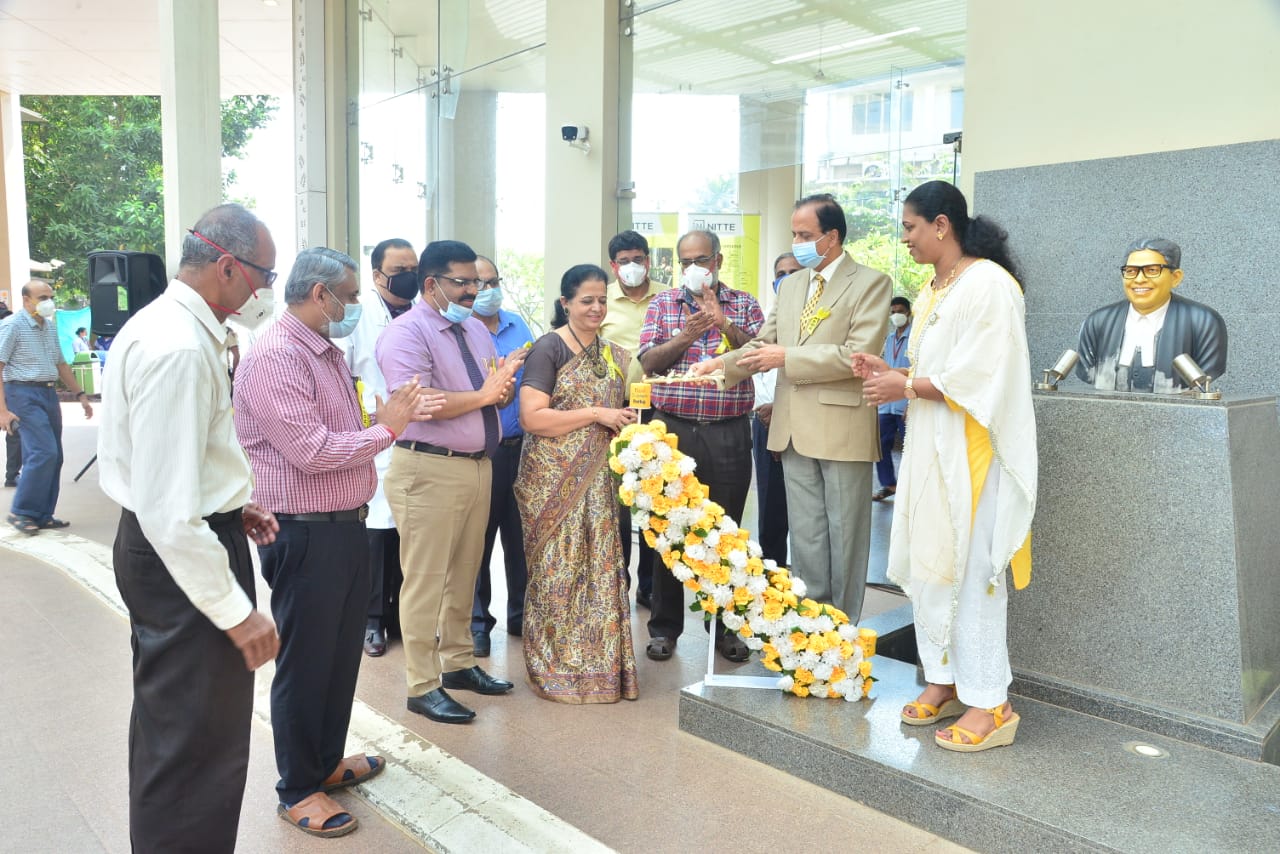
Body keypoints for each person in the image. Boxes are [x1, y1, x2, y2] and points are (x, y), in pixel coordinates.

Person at [234, 247, 440, 837]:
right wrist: (388, 430)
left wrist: (376, 422)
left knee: (338, 655)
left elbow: (340, 431)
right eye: (350, 296)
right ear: (320, 295)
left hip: (343, 523)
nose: (355, 307)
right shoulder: (276, 357)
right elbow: (313, 452)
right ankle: (297, 786)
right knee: (306, 660)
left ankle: (324, 762)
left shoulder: (322, 351)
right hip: (303, 530)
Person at [97, 203, 282, 851]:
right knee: (194, 747)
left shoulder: (177, 328)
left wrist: (234, 504)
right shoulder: (177, 348)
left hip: (188, 537)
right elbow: (169, 510)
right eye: (263, 274)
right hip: (180, 554)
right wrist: (235, 611)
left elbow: (178, 465)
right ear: (227, 266)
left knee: (186, 735)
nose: (265, 291)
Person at [855, 180, 1036, 753]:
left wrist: (902, 383)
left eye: (909, 227)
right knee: (933, 566)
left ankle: (993, 703)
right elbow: (927, 367)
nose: (904, 239)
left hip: (973, 452)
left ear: (941, 225)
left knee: (974, 571)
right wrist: (887, 371)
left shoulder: (990, 284)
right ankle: (947, 679)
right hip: (931, 445)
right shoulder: (933, 288)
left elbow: (986, 373)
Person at [697, 193, 892, 623]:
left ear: (832, 237)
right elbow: (764, 343)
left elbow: (858, 354)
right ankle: (811, 632)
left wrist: (787, 358)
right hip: (792, 428)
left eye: (805, 235)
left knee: (846, 538)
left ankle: (843, 633)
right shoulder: (792, 285)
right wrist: (723, 364)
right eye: (794, 234)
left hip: (841, 427)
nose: (798, 242)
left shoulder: (871, 283)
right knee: (805, 538)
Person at [376, 239, 523, 724]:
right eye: (462, 282)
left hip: (478, 466)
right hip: (428, 468)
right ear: (432, 284)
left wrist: (500, 392)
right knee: (425, 580)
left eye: (477, 283)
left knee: (466, 573)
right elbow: (420, 403)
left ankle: (458, 664)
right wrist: (486, 394)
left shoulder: (477, 332)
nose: (472, 292)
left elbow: (489, 396)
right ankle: (422, 683)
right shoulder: (405, 333)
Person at [638, 229, 764, 663]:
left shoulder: (744, 304)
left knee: (726, 534)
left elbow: (757, 359)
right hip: (673, 428)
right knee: (668, 529)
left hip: (729, 430)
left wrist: (723, 323)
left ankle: (725, 629)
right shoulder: (663, 305)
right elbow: (648, 363)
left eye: (702, 259)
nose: (695, 268)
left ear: (718, 261)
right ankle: (664, 628)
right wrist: (689, 334)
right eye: (686, 260)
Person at [515, 263, 639, 702]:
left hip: (599, 482)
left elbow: (624, 406)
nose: (597, 308)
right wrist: (596, 414)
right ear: (565, 302)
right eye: (587, 300)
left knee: (600, 573)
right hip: (551, 483)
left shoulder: (612, 354)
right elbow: (532, 417)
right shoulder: (549, 349)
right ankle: (555, 668)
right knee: (559, 574)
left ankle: (602, 671)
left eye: (603, 300)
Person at [339, 237, 420, 658]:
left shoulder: (424, 313)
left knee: (410, 533)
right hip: (375, 434)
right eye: (399, 269)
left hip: (420, 435)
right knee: (377, 532)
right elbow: (344, 370)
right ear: (377, 275)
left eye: (414, 268)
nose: (409, 276)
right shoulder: (359, 316)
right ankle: (372, 621)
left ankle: (401, 618)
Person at [470, 254, 535, 657]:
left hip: (522, 448)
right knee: (477, 541)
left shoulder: (518, 326)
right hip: (481, 453)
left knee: (521, 537)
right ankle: (477, 624)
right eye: (477, 284)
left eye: (492, 282)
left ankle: (521, 617)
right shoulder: (461, 330)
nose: (486, 291)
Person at [0, 279, 93, 534]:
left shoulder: (50, 327)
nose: (48, 302)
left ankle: (43, 514)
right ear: (26, 300)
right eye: (42, 298)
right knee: (43, 452)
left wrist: (80, 394)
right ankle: (22, 512)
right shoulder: (12, 326)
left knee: (55, 456)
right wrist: (3, 411)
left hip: (48, 393)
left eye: (50, 296)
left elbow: (61, 363)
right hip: (22, 393)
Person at [1075, 237, 1227, 393]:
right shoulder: (1099, 321)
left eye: (1152, 270)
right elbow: (1087, 369)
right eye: (1131, 271)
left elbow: (1207, 370)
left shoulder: (1204, 321)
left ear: (1175, 278)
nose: (1139, 279)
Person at [599, 229, 659, 608]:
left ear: (648, 260)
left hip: (661, 411)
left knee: (655, 501)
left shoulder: (669, 296)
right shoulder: (600, 300)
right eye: (625, 262)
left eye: (638, 259)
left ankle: (650, 587)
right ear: (613, 265)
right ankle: (618, 582)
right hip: (615, 412)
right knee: (618, 504)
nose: (632, 267)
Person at [752, 252, 801, 564]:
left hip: (801, 420)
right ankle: (772, 581)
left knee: (804, 513)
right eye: (779, 273)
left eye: (792, 272)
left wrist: (781, 408)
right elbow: (757, 367)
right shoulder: (768, 318)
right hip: (765, 422)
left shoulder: (817, 318)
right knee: (771, 510)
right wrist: (765, 410)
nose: (785, 278)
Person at [873, 296, 913, 502]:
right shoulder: (889, 339)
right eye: (893, 312)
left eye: (900, 311)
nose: (896, 315)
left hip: (906, 401)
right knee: (879, 445)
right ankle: (888, 484)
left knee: (912, 448)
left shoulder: (915, 337)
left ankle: (910, 490)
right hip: (886, 404)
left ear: (908, 312)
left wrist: (912, 401)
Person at [0, 299, 19, 488]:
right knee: (14, 432)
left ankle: (12, 475)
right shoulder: (9, 327)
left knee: (14, 432)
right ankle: (12, 475)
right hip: (7, 387)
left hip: (8, 386)